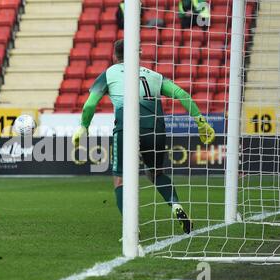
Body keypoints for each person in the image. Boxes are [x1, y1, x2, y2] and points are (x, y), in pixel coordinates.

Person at [72, 39, 215, 234]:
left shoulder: (110, 73)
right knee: (155, 173)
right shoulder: (154, 75)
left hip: (127, 126)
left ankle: (131, 229)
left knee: (120, 180)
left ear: (115, 56)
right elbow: (182, 94)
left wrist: (83, 126)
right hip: (155, 128)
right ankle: (175, 205)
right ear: (137, 55)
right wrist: (200, 121)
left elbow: (90, 104)